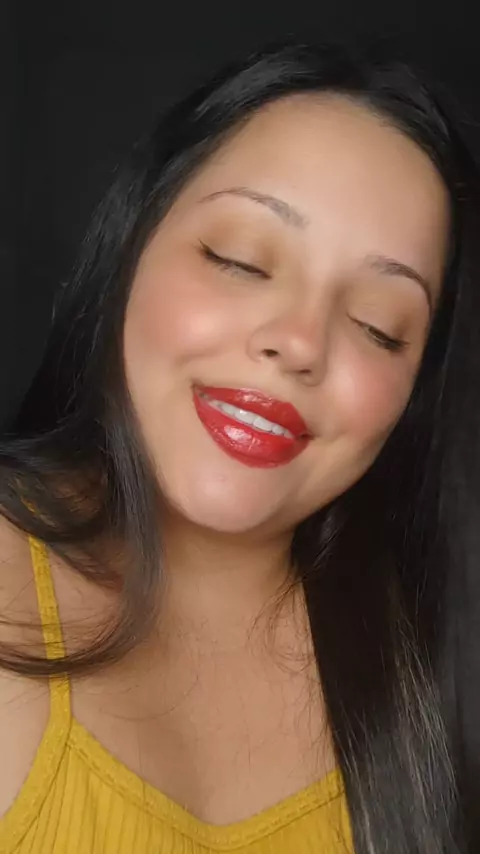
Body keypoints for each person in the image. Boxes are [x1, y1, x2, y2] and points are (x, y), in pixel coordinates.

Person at [0, 37, 478, 854]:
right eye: (241, 261)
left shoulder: (436, 673)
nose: (300, 342)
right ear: (130, 246)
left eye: (379, 325)